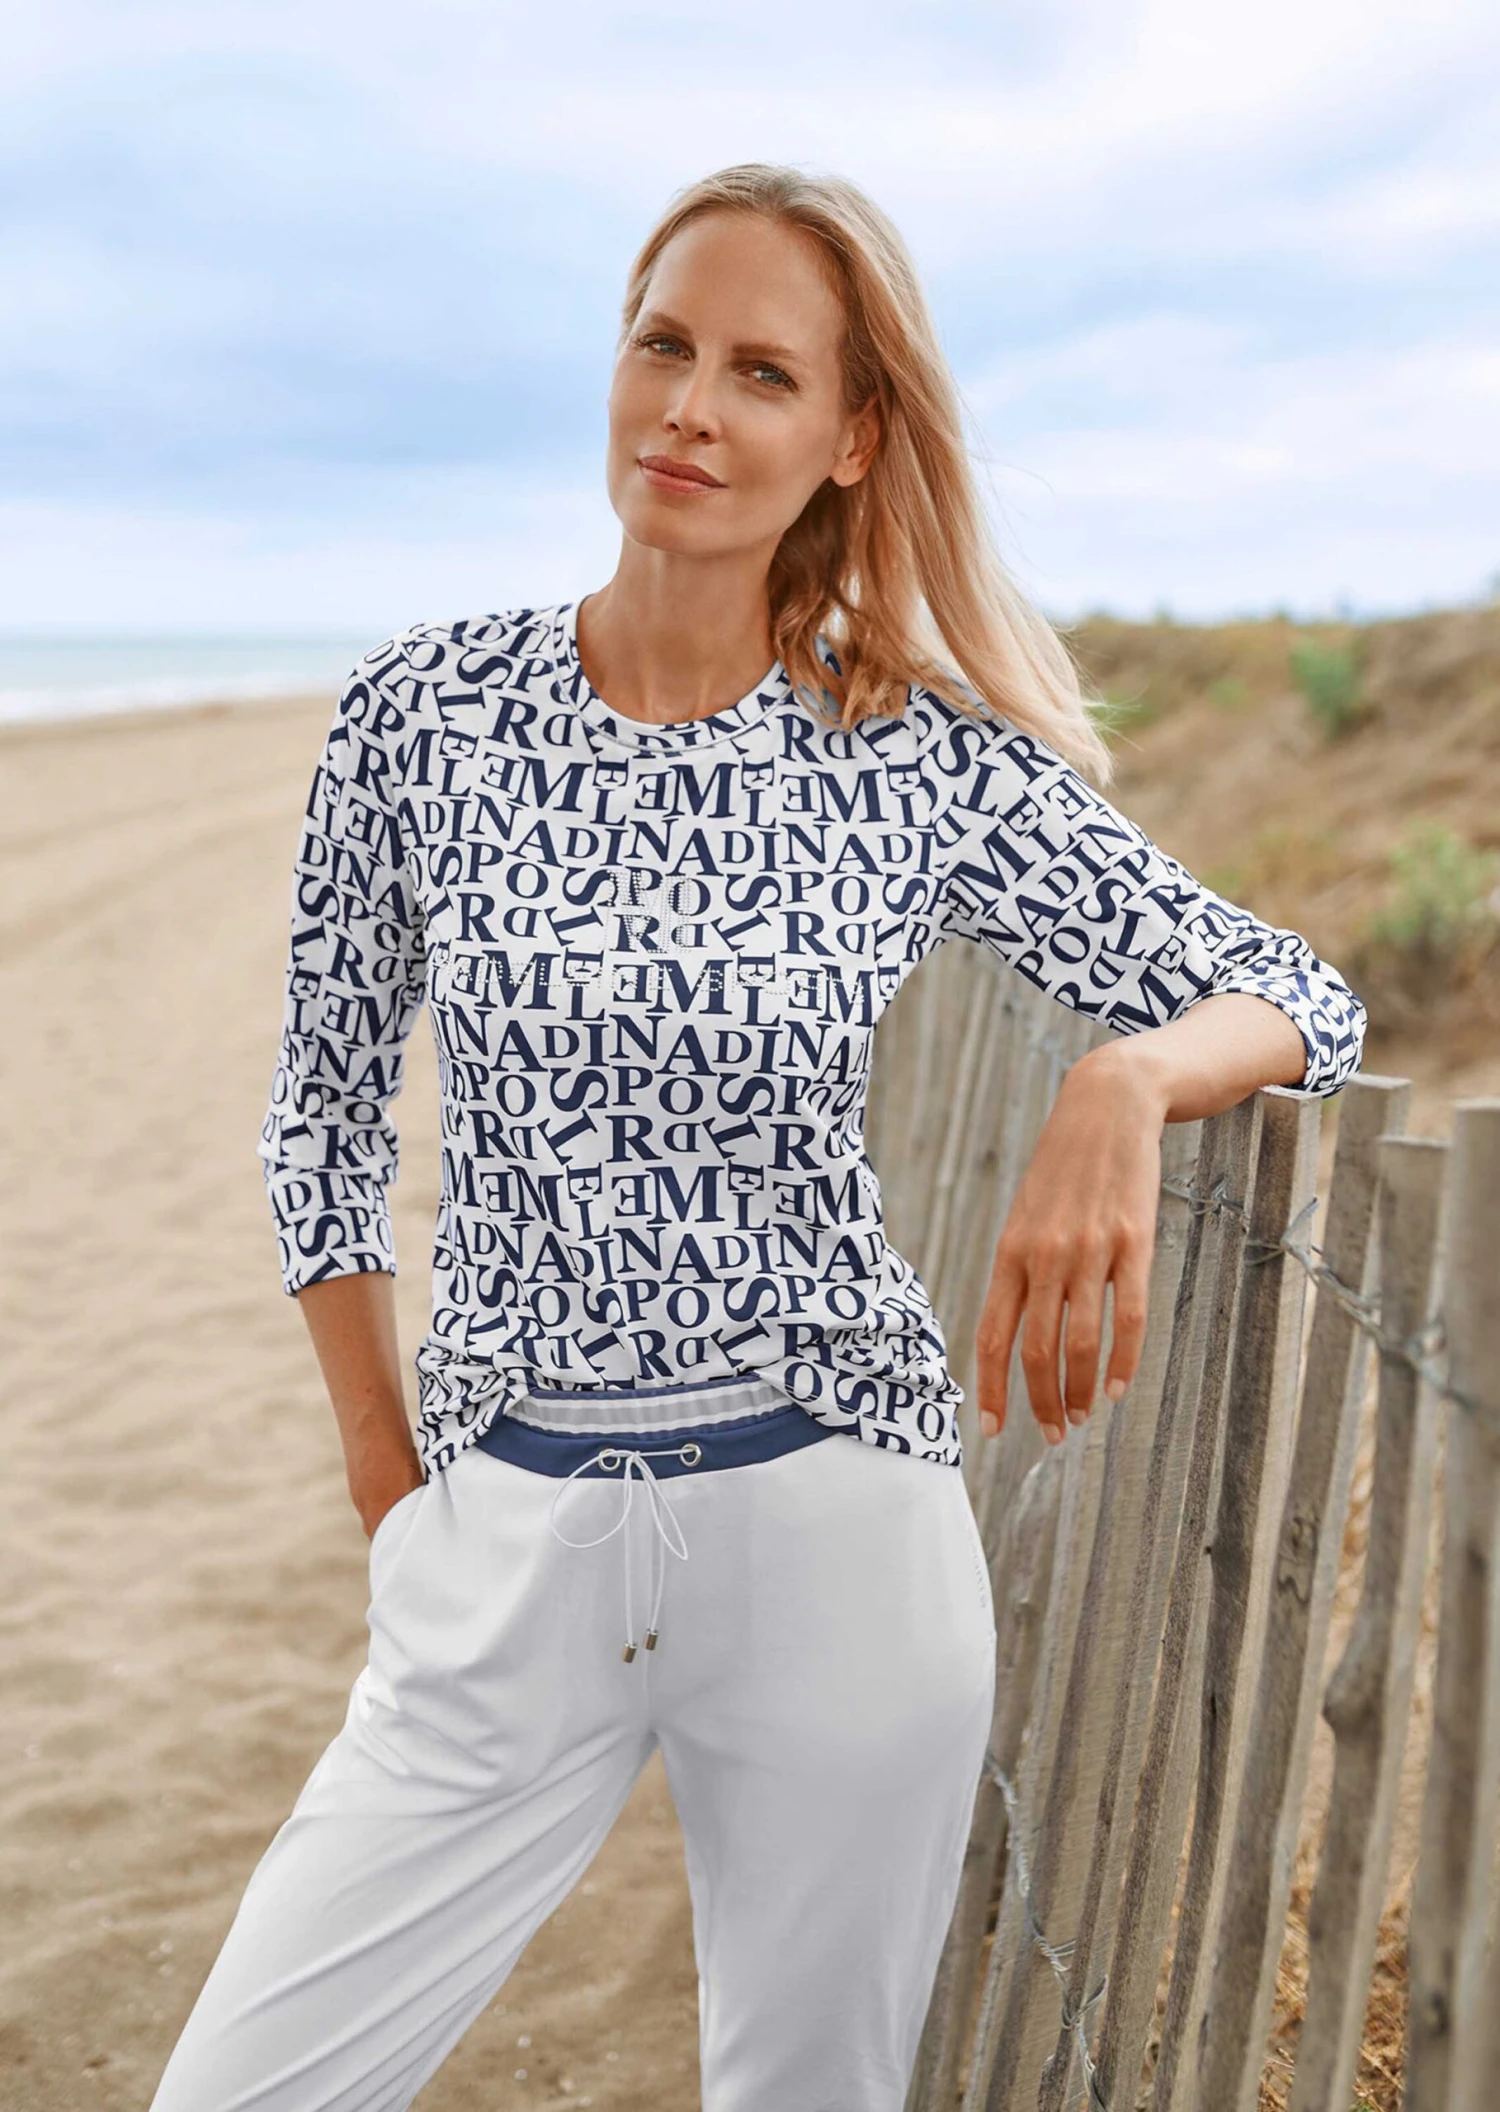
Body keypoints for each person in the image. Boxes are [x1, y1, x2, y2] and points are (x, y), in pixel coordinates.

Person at [148, 163, 1367, 2112]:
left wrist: (1125, 1083)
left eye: (762, 373)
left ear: (853, 438)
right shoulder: (419, 717)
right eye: (664, 346)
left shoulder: (912, 757)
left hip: (836, 1536)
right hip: (503, 1538)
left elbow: (1294, 990)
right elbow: (319, 1123)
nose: (691, 409)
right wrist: (393, 1482)